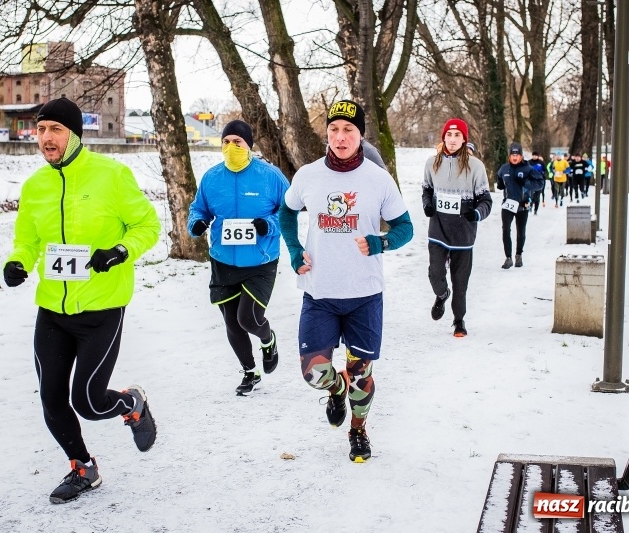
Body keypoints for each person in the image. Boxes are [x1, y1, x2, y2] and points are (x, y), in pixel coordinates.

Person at [3, 97, 161, 504]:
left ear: (74, 135)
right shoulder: (36, 186)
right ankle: (83, 467)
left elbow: (148, 225)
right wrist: (18, 262)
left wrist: (120, 251)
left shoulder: (111, 175)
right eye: (40, 130)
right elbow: (27, 240)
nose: (45, 138)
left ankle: (132, 403)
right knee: (52, 399)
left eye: (55, 130)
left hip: (102, 308)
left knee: (88, 402)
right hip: (52, 310)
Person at [279, 99, 413, 463]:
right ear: (327, 133)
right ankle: (336, 389)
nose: (340, 137)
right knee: (314, 373)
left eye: (348, 130)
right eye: (334, 129)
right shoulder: (308, 175)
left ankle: (358, 431)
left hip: (364, 295)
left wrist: (380, 242)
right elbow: (286, 211)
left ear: (360, 135)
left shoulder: (377, 178)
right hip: (319, 292)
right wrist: (293, 249)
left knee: (362, 373)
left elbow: (405, 228)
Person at [187, 119, 289, 396]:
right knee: (232, 322)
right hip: (223, 259)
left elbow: (289, 211)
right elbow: (199, 209)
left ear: (249, 145)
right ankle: (250, 372)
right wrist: (196, 222)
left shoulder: (270, 176)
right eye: (226, 142)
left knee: (248, 319)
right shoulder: (211, 177)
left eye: (238, 142)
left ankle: (267, 340)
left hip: (260, 260)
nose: (231, 147)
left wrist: (268, 224)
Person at [421, 118, 492, 337]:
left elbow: (486, 200)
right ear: (444, 138)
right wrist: (428, 205)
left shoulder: (475, 166)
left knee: (460, 281)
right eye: (449, 135)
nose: (452, 140)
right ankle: (442, 295)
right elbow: (426, 190)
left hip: (463, 233)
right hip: (438, 230)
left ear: (464, 139)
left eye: (457, 136)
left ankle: (459, 320)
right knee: (435, 273)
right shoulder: (432, 163)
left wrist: (477, 213)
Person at [496, 142, 544, 269]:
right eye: (512, 154)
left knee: (520, 231)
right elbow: (499, 178)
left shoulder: (528, 169)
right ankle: (508, 258)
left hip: (523, 204)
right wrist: (500, 184)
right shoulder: (504, 168)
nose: (515, 157)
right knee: (506, 229)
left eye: (517, 155)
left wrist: (526, 183)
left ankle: (518, 255)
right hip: (508, 204)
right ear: (509, 156)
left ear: (521, 156)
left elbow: (540, 183)